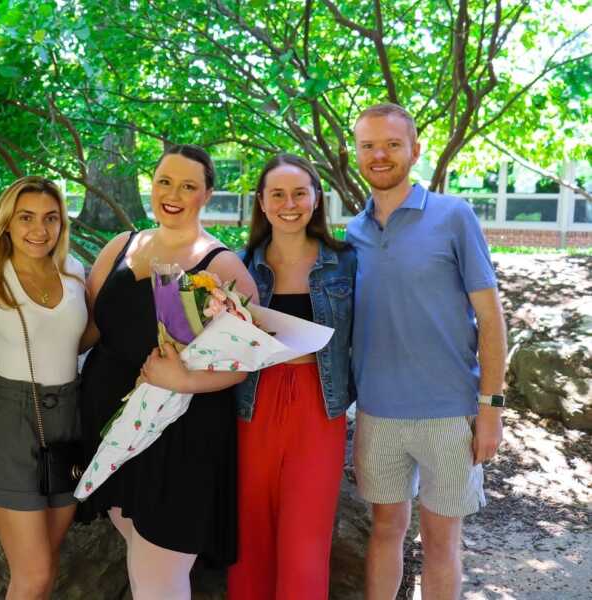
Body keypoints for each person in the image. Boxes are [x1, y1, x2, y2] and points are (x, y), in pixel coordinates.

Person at [78, 144, 258, 600]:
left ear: (207, 195)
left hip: (179, 433)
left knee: (160, 577)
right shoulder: (121, 245)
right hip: (115, 427)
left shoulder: (221, 264)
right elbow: (89, 329)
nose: (173, 194)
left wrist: (182, 380)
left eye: (188, 186)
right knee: (142, 563)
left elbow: (245, 362)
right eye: (164, 182)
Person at [346, 104, 507, 600]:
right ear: (356, 153)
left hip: (449, 413)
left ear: (414, 151)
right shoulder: (352, 234)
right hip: (378, 414)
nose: (380, 154)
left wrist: (491, 408)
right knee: (386, 531)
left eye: (392, 144)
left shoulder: (453, 216)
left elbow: (492, 318)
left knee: (442, 541)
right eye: (369, 145)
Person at [0, 176, 88, 600]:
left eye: (51, 218)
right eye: (26, 217)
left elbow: (84, 338)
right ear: (6, 223)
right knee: (34, 574)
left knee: (45, 566)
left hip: (70, 419)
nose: (39, 229)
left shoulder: (74, 272)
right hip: (13, 422)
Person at [228, 154, 356, 599]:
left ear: (316, 199)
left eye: (300, 193)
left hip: (319, 409)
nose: (289, 203)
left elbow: (372, 336)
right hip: (251, 405)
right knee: (250, 536)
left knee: (306, 541)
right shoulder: (237, 265)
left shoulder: (346, 263)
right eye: (277, 194)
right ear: (261, 203)